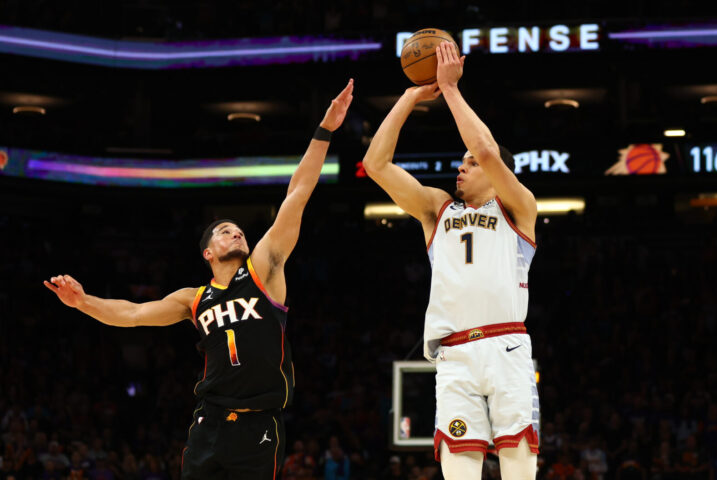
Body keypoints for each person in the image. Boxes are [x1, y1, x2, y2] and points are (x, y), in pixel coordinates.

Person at [43, 79, 354, 480]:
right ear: (207, 252)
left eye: (238, 229)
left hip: (259, 423)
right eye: (225, 230)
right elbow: (134, 313)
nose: (236, 232)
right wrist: (84, 302)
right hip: (208, 422)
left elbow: (298, 192)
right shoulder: (194, 298)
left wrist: (325, 129)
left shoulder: (264, 271)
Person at [362, 42, 539, 480]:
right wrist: (409, 98)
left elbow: (488, 149)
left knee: (519, 462)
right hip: (454, 354)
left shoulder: (518, 208)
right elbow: (375, 164)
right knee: (458, 465)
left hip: (507, 346)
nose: (461, 168)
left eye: (469, 163)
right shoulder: (438, 209)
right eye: (461, 163)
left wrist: (451, 90)